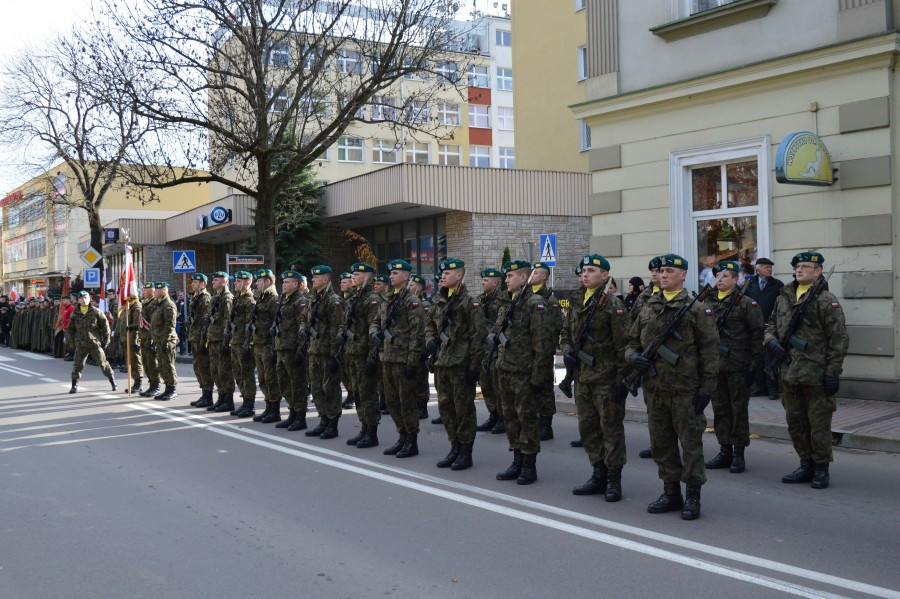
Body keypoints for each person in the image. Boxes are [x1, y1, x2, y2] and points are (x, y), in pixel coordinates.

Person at [625, 254, 718, 520]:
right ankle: (671, 492)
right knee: (661, 444)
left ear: (683, 275)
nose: (663, 275)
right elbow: (630, 341)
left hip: (685, 391)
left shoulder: (696, 309)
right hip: (655, 390)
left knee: (691, 446)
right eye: (661, 271)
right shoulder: (648, 307)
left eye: (669, 271)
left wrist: (706, 390)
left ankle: (693, 496)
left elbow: (710, 352)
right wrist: (632, 357)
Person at [765, 251, 848, 489]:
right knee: (796, 424)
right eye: (797, 267)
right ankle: (805, 464)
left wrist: (832, 373)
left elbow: (839, 340)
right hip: (789, 374)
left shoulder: (826, 300)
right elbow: (770, 325)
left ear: (818, 271)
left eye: (804, 266)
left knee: (819, 425)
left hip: (816, 375)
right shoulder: (783, 298)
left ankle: (821, 468)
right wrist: (771, 341)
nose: (799, 270)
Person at [562, 254, 629, 501]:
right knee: (588, 429)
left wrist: (623, 380)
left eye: (591, 270)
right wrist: (567, 350)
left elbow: (624, 345)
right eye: (583, 271)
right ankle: (598, 473)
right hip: (582, 377)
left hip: (606, 379)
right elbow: (566, 332)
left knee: (611, 430)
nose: (585, 274)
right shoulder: (576, 300)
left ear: (604, 275)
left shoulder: (613, 305)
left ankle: (613, 479)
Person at [491, 259, 556, 485]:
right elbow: (498, 332)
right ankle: (517, 460)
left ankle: (529, 464)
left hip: (525, 373)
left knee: (527, 418)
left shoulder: (534, 303)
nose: (506, 280)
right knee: (510, 417)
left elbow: (543, 344)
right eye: (506, 276)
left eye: (510, 276)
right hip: (505, 370)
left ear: (523, 278)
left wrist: (538, 377)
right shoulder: (508, 303)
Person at [703, 260, 764, 474]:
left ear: (736, 279)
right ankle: (724, 450)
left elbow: (757, 335)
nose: (720, 280)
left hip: (738, 366)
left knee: (738, 411)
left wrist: (754, 367)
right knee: (720, 410)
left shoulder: (746, 303)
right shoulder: (707, 302)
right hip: (715, 367)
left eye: (725, 276)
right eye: (717, 276)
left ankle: (739, 453)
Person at [426, 258, 487, 470]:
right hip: (442, 363)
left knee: (463, 410)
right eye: (442, 273)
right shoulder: (439, 300)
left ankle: (465, 451)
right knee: (445, 408)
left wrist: (474, 367)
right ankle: (454, 446)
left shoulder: (470, 302)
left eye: (447, 273)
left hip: (461, 364)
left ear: (459, 276)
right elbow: (429, 325)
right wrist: (430, 341)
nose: (442, 276)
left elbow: (479, 337)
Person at [371, 259, 425, 457]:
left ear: (406, 276)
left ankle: (411, 440)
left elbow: (417, 333)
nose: (391, 276)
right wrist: (373, 332)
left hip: (403, 360)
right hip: (387, 357)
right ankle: (401, 436)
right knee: (392, 401)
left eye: (395, 273)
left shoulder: (412, 301)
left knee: (406, 402)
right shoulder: (387, 298)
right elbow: (376, 320)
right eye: (391, 273)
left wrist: (412, 360)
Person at [338, 263, 383, 447]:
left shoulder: (372, 299)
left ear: (367, 276)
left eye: (357, 274)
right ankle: (363, 427)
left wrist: (373, 358)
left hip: (365, 354)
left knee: (368, 394)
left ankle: (372, 432)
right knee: (357, 393)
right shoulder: (353, 297)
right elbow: (344, 322)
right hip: (352, 352)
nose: (353, 277)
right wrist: (341, 335)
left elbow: (375, 329)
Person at [302, 265, 345, 438]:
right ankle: (323, 420)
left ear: (325, 279)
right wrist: (303, 329)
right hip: (314, 350)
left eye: (316, 277)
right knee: (317, 389)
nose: (312, 279)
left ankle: (332, 424)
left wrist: (335, 355)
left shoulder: (333, 300)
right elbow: (304, 318)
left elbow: (336, 329)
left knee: (330, 389)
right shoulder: (313, 298)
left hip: (327, 352)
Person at [630, 258, 662, 460]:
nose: (655, 274)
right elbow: (632, 322)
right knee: (652, 406)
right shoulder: (644, 296)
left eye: (659, 270)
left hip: (671, 363)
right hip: (647, 359)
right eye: (653, 271)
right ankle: (656, 443)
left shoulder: (675, 298)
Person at [529, 261, 564, 441]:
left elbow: (557, 326)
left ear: (543, 277)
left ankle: (546, 424)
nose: (531, 275)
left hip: (543, 350)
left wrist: (547, 347)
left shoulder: (550, 300)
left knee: (544, 387)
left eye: (535, 273)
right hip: (527, 351)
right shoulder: (526, 296)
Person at [273, 270, 311, 431]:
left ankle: (300, 416)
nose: (284, 284)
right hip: (281, 347)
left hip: (293, 349)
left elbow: (302, 326)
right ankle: (292, 412)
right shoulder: (284, 300)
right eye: (283, 282)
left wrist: (301, 351)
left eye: (287, 282)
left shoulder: (300, 301)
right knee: (284, 382)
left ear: (296, 284)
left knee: (297, 384)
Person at [745, 257, 785, 400]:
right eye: (766, 267)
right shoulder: (748, 284)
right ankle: (758, 388)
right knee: (756, 358)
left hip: (771, 327)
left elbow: (783, 305)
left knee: (770, 360)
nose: (770, 269)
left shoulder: (777, 284)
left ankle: (772, 389)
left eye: (770, 267)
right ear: (758, 269)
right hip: (753, 326)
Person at [67, 290, 117, 393]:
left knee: (103, 364)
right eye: (81, 298)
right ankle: (74, 385)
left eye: (85, 298)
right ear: (78, 300)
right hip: (81, 344)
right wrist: (71, 343)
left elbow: (105, 327)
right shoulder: (75, 314)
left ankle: (113, 381)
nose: (84, 300)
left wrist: (106, 341)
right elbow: (70, 330)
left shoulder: (96, 311)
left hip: (94, 343)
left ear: (89, 299)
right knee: (77, 365)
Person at [475, 268, 504, 434]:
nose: (482, 282)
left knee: (497, 385)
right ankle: (493, 414)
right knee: (485, 384)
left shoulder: (502, 300)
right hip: (482, 349)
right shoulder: (478, 300)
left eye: (486, 280)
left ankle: (502, 417)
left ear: (495, 282)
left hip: (496, 348)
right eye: (482, 280)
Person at [203, 272, 235, 411]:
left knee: (224, 371)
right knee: (215, 371)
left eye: (216, 280)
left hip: (221, 339)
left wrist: (226, 340)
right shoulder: (215, 296)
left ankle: (228, 400)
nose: (213, 282)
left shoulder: (226, 298)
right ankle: (221, 398)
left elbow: (228, 319)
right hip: (213, 338)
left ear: (224, 282)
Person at [228, 271, 258, 417]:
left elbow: (250, 324)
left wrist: (248, 345)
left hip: (243, 343)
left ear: (247, 283)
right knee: (238, 374)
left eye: (238, 281)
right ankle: (245, 402)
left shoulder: (249, 300)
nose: (235, 283)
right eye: (235, 281)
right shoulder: (237, 299)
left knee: (247, 374)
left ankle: (250, 405)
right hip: (235, 341)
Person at [187, 274, 214, 407]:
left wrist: (204, 340)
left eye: (196, 282)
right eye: (193, 282)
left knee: (204, 367)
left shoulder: (205, 298)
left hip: (201, 337)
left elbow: (205, 321)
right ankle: (204, 394)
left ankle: (208, 396)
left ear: (203, 284)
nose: (192, 284)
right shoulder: (196, 297)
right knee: (198, 366)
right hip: (195, 336)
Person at [150, 282, 179, 401]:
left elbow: (170, 325)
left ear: (163, 291)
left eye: (157, 290)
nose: (154, 292)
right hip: (159, 340)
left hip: (167, 340)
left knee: (168, 365)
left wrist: (165, 341)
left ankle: (172, 389)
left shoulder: (168, 305)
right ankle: (167, 388)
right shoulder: (158, 304)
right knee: (162, 366)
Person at [409, 273, 432, 420]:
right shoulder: (408, 302)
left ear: (418, 287)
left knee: (421, 378)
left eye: (411, 285)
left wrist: (425, 349)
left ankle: (422, 406)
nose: (408, 287)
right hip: (410, 345)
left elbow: (426, 327)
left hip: (421, 346)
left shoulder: (425, 304)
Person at [117, 293, 143, 393]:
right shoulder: (127, 306)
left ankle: (138, 383)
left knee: (135, 361)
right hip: (126, 338)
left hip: (133, 338)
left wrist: (130, 328)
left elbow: (137, 323)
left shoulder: (136, 306)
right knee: (130, 361)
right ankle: (135, 382)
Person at [138, 283, 161, 397]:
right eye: (144, 290)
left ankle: (156, 386)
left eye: (146, 290)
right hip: (144, 337)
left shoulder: (153, 303)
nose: (144, 291)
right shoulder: (145, 302)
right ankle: (151, 385)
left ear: (152, 291)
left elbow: (153, 322)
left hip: (150, 337)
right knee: (146, 363)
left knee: (152, 363)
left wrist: (152, 338)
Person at [339, 271, 355, 410]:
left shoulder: (354, 298)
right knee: (343, 371)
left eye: (344, 282)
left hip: (352, 342)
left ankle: (353, 396)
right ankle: (350, 393)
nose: (341, 284)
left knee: (351, 371)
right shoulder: (340, 298)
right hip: (341, 340)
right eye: (341, 282)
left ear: (352, 283)